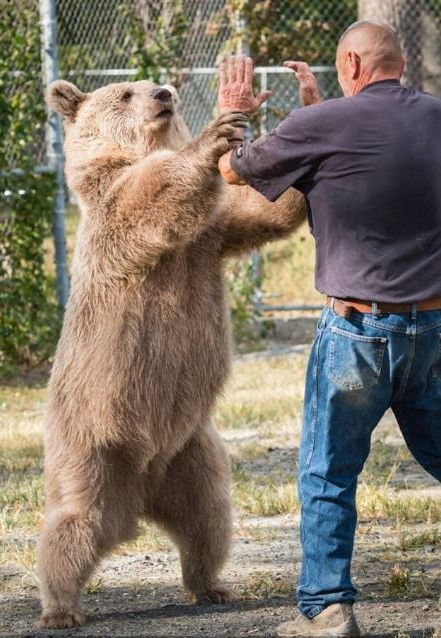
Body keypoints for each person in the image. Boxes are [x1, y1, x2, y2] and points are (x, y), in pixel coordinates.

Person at [217, 20, 441, 638]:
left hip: (356, 332)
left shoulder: (323, 125)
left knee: (327, 471)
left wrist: (233, 114)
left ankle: (328, 609)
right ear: (399, 63)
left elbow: (234, 172)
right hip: (434, 329)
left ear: (350, 62)